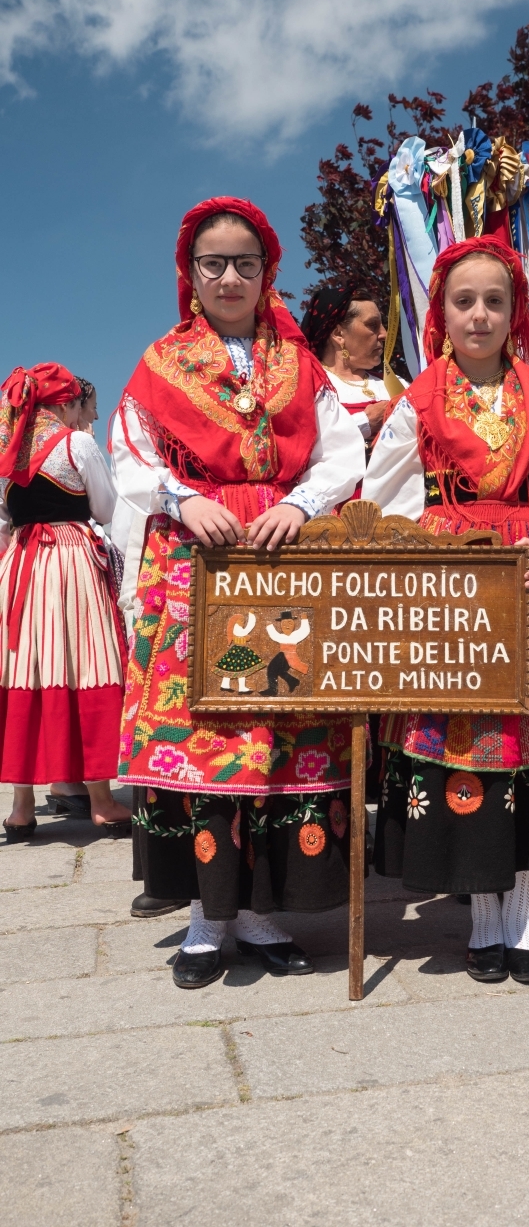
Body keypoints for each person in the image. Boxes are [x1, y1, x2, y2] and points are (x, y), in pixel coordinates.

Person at [111, 196, 365, 988]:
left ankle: (256, 915)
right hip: (196, 561)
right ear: (189, 273)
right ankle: (204, 917)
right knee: (210, 737)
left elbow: (341, 453)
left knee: (279, 730)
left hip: (281, 554)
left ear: (267, 272)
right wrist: (182, 499)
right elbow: (128, 453)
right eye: (213, 263)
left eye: (244, 263)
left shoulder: (299, 364)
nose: (229, 276)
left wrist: (300, 504)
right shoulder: (160, 363)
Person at [362, 236, 529, 987]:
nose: (479, 314)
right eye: (464, 301)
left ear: (515, 315)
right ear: (440, 314)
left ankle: (521, 918)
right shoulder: (415, 405)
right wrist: (424, 563)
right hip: (451, 598)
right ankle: (484, 918)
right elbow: (382, 507)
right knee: (470, 747)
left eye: (494, 301)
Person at [0, 363, 131, 840]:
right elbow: (106, 508)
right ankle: (101, 802)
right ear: (65, 404)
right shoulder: (76, 444)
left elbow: (4, 516)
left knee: (24, 667)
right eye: (78, 405)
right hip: (69, 559)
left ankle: (21, 809)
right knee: (82, 662)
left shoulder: (7, 447)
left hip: (20, 564)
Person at [300, 285, 390, 451]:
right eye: (372, 325)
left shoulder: (393, 383)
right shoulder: (307, 387)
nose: (384, 334)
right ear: (338, 334)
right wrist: (365, 422)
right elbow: (297, 446)